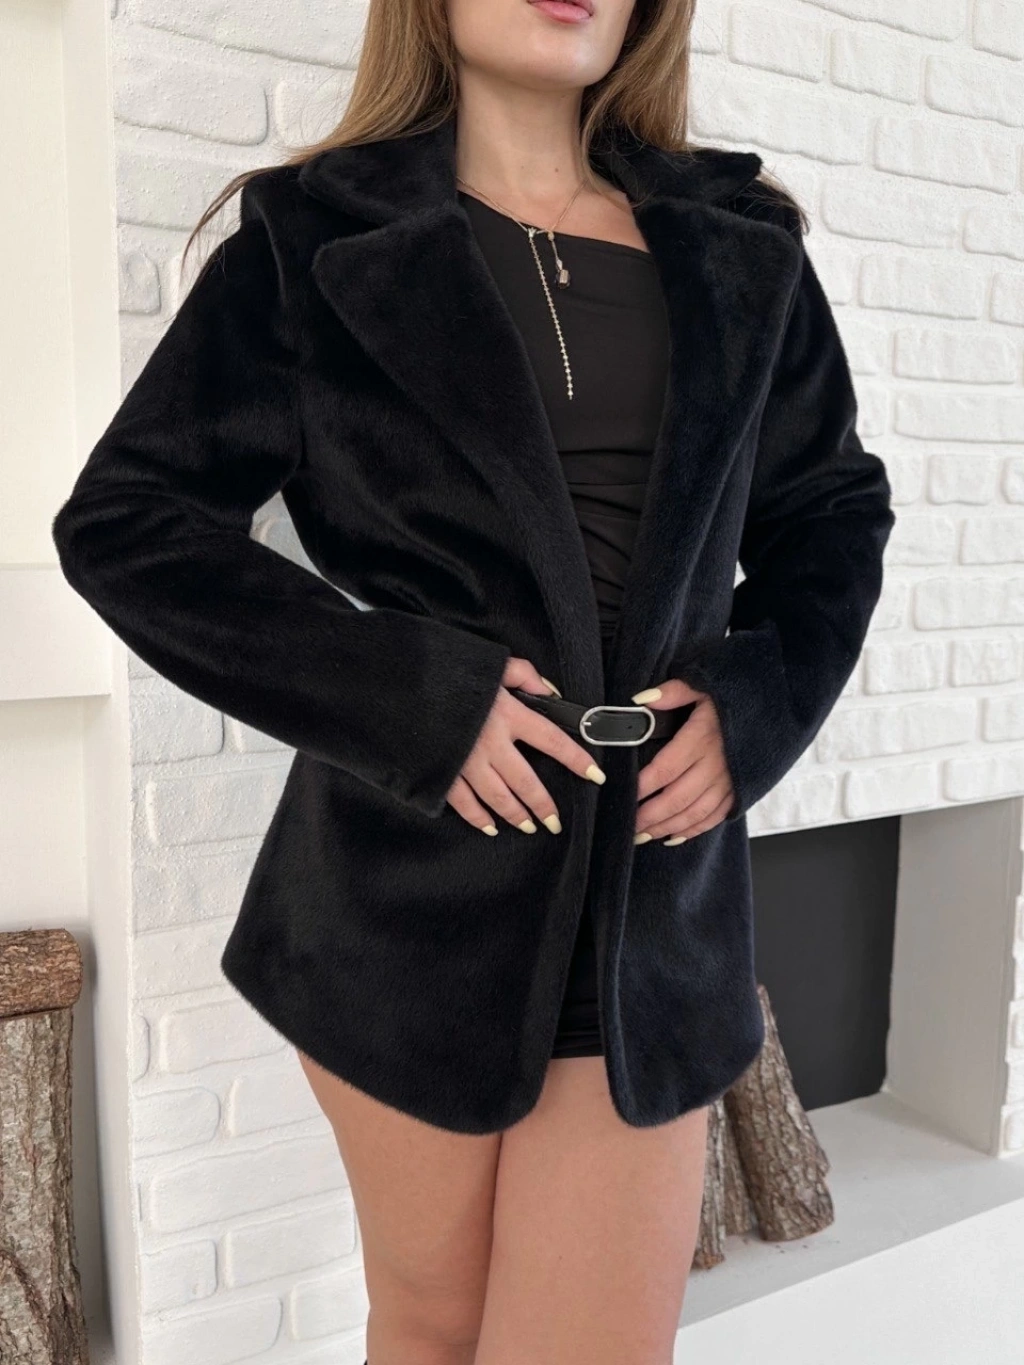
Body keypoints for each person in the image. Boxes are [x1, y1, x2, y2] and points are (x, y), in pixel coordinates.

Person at [51, 0, 895, 1360]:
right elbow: (129, 524)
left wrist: (760, 704)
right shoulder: (311, 242)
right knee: (428, 1331)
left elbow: (831, 512)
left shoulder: (744, 246)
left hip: (653, 908)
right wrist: (410, 699)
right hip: (404, 907)